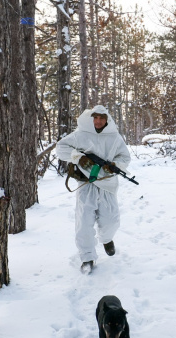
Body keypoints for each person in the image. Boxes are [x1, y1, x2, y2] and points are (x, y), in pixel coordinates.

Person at [56, 105, 132, 274]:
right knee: (84, 223)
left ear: (107, 119)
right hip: (86, 185)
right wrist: (78, 157)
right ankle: (87, 258)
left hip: (108, 185)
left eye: (101, 118)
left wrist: (115, 165)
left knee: (111, 220)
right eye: (95, 117)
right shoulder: (80, 134)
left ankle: (106, 239)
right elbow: (61, 148)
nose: (98, 121)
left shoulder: (114, 137)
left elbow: (124, 157)